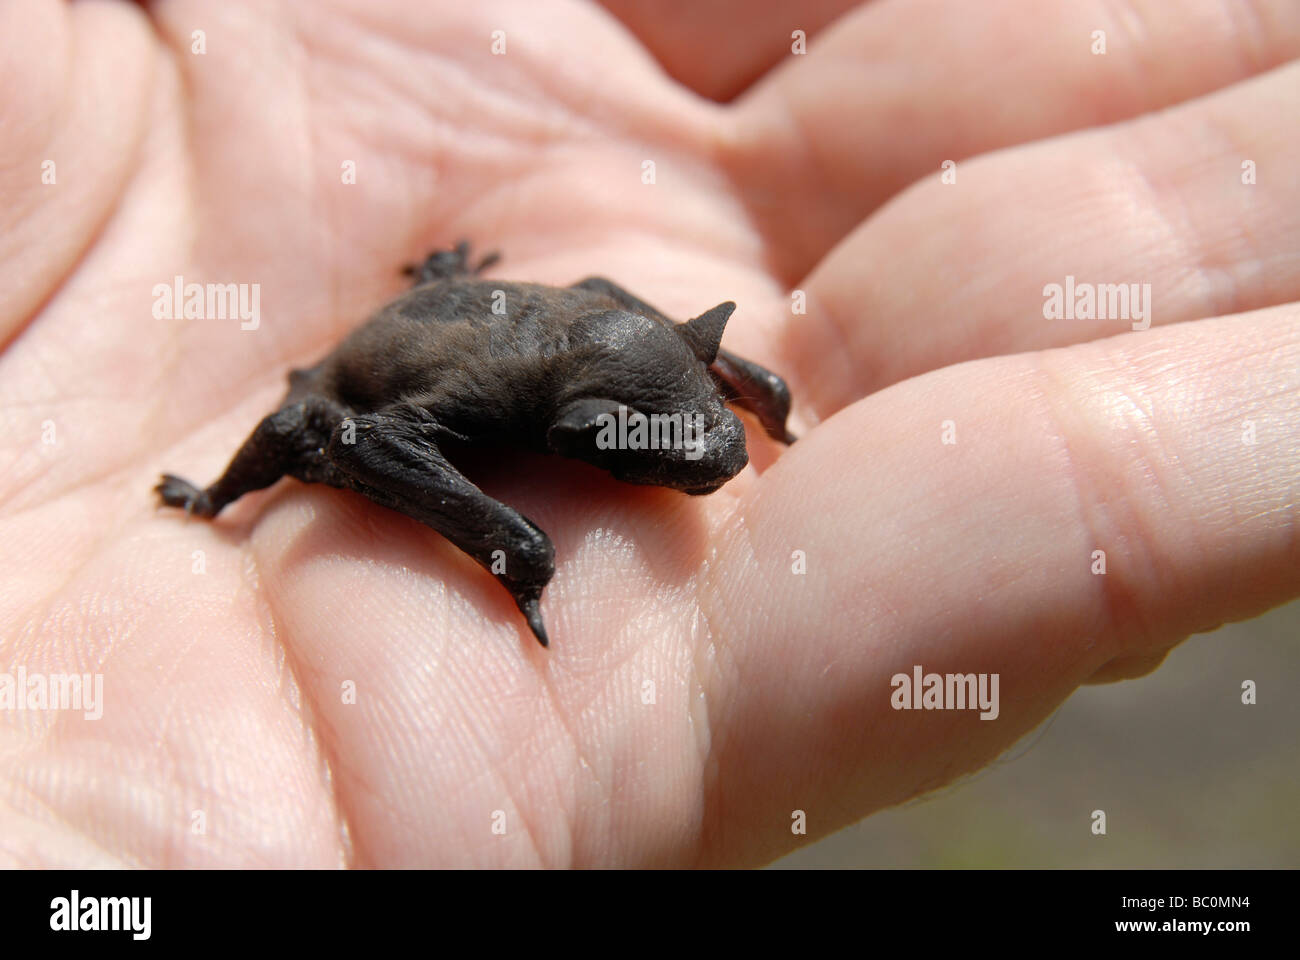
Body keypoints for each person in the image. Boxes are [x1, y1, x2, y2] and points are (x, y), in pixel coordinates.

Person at [1, 0, 1296, 867]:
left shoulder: (621, 327)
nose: (707, 469)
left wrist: (755, 396)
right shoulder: (479, 411)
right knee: (309, 432)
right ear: (582, 442)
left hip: (503, 320)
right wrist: (501, 536)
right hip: (382, 368)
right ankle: (210, 501)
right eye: (662, 452)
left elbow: (641, 318)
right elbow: (317, 422)